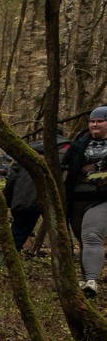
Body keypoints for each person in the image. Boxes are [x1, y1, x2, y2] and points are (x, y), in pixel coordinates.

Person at [64, 106, 107, 297]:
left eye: (100, 121)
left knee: (92, 236)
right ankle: (85, 282)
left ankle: (92, 279)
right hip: (76, 200)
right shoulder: (79, 143)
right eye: (92, 121)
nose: (95, 125)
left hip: (101, 200)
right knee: (83, 241)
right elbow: (65, 165)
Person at [4, 137, 68, 252]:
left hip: (25, 198)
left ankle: (6, 264)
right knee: (61, 235)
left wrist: (7, 200)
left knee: (17, 235)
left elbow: (11, 178)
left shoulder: (26, 151)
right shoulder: (68, 151)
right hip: (54, 200)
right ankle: (67, 264)